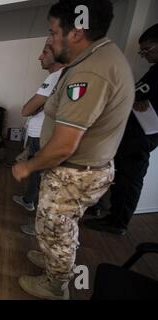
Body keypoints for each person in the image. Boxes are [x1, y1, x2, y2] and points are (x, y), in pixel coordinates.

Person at [12, 0, 135, 300]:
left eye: (53, 32)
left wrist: (28, 166)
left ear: (77, 32)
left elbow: (66, 143)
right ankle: (55, 262)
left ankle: (56, 284)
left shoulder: (91, 72)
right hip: (80, 170)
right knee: (58, 227)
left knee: (57, 230)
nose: (51, 40)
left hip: (74, 173)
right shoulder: (95, 60)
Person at [84, 24, 158, 235]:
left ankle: (117, 223)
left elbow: (135, 97)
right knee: (114, 174)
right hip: (130, 134)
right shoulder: (154, 72)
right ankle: (102, 210)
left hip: (141, 137)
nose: (143, 55)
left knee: (129, 180)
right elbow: (134, 96)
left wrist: (135, 98)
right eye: (141, 51)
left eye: (148, 49)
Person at [12, 42, 65, 236]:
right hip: (40, 135)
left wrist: (38, 106)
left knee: (43, 180)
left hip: (42, 137)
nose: (39, 57)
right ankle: (28, 201)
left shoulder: (56, 76)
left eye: (44, 52)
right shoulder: (63, 76)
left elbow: (26, 109)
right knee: (38, 176)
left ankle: (41, 227)